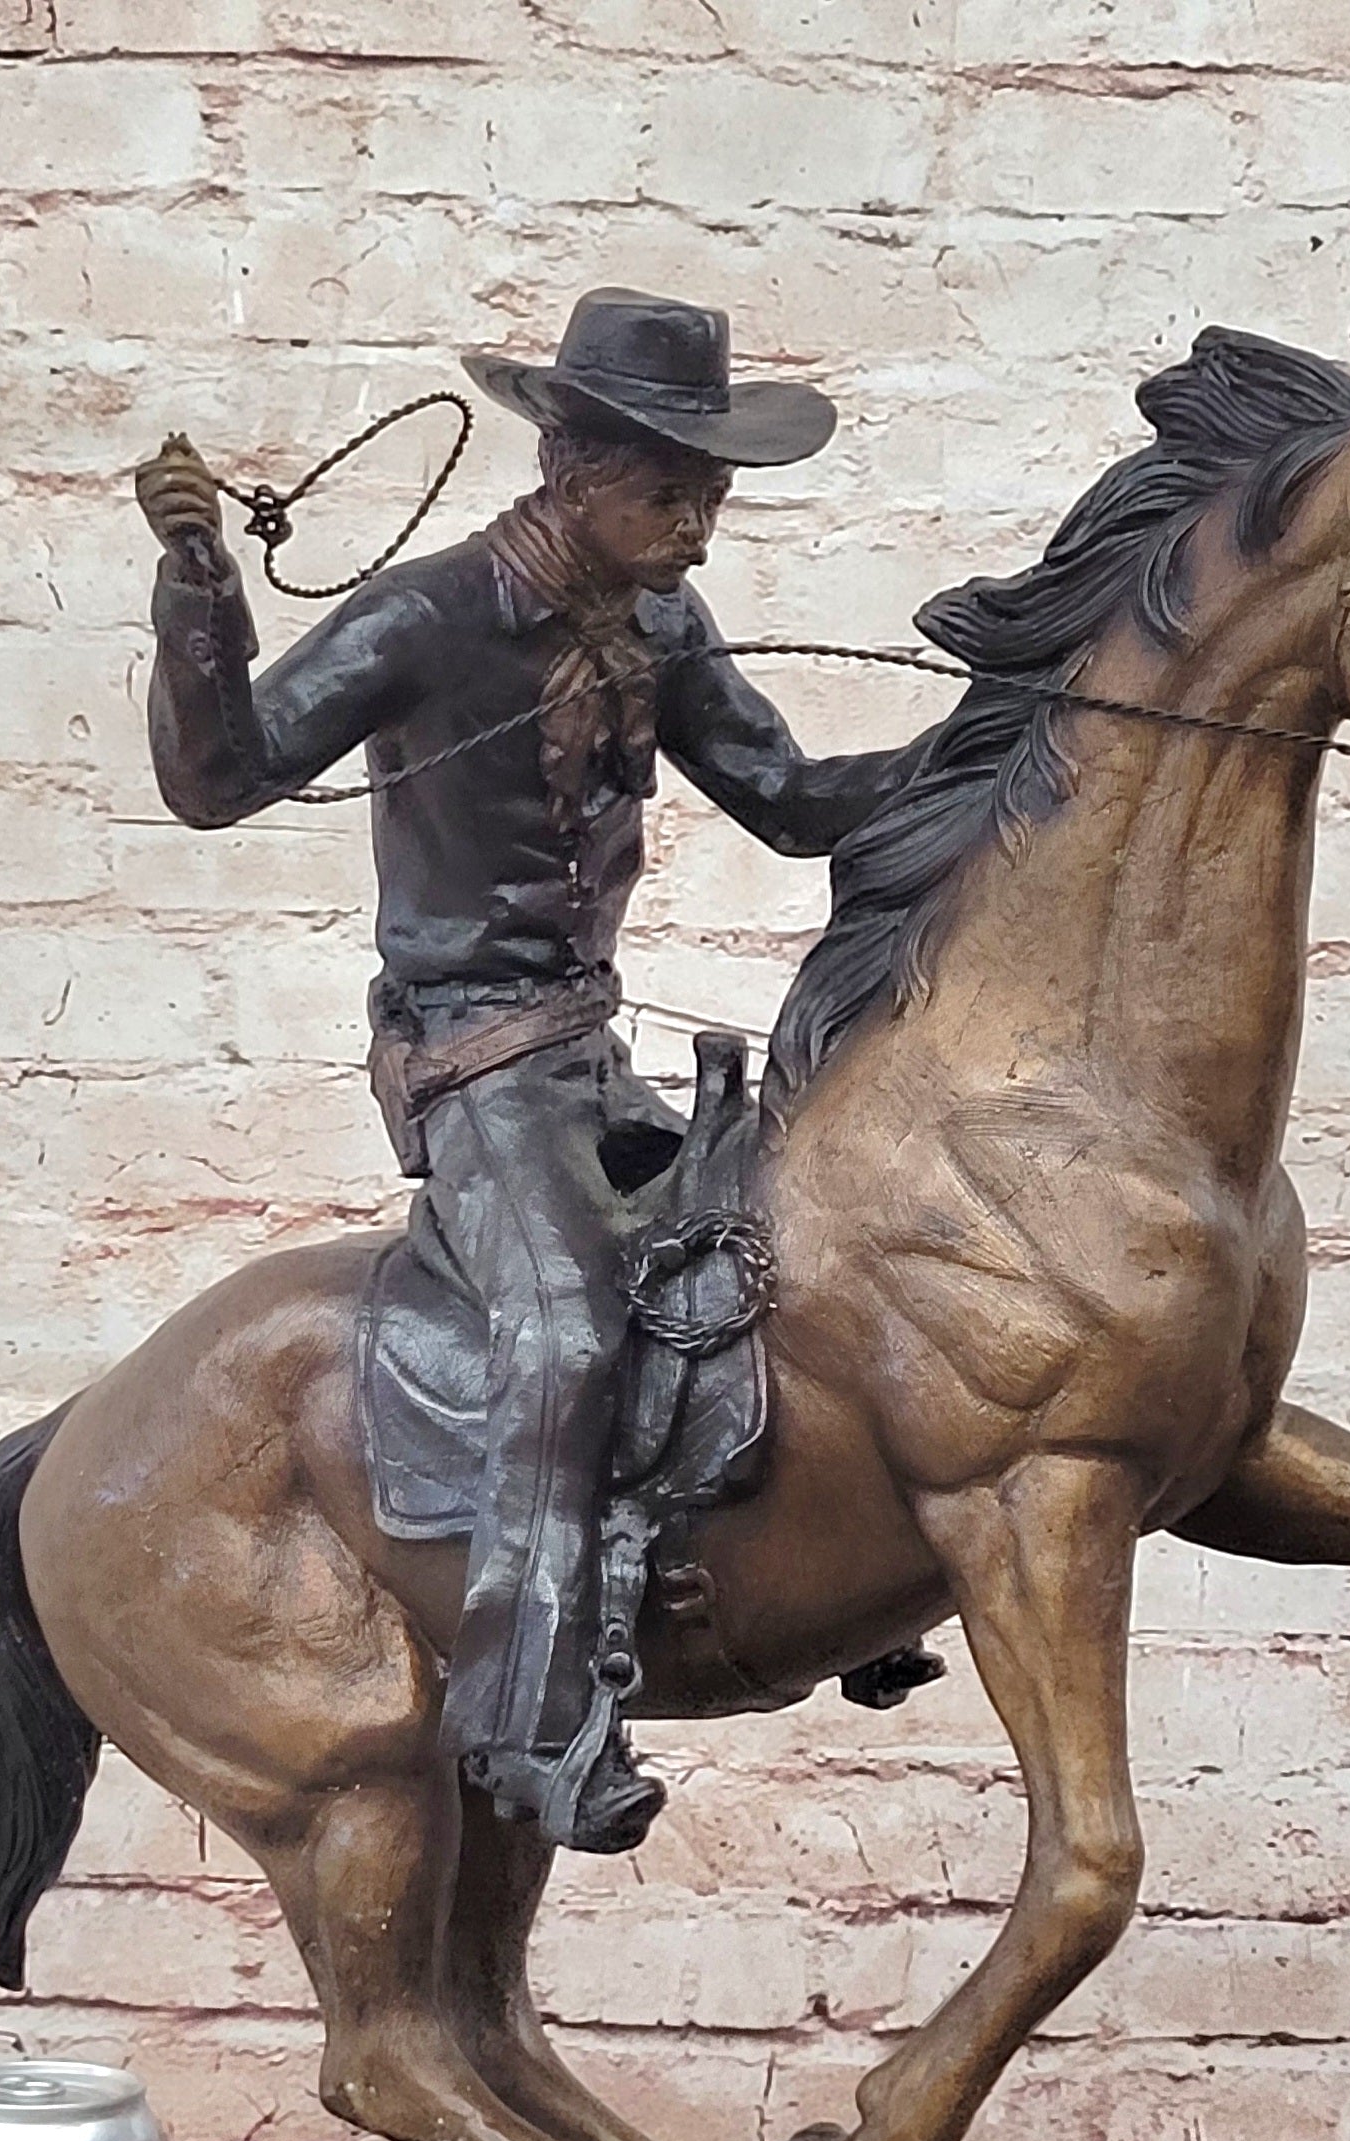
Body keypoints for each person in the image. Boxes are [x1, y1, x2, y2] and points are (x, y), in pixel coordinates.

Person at [135, 289, 926, 1852]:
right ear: (569, 466)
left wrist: (1005, 740)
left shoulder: (662, 623)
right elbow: (217, 777)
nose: (698, 525)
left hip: (587, 1060)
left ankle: (853, 1577)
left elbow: (786, 798)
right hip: (474, 1068)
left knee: (797, 1252)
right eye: (670, 491)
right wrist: (196, 587)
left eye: (713, 495)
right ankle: (531, 1710)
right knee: (563, 1331)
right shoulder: (418, 622)